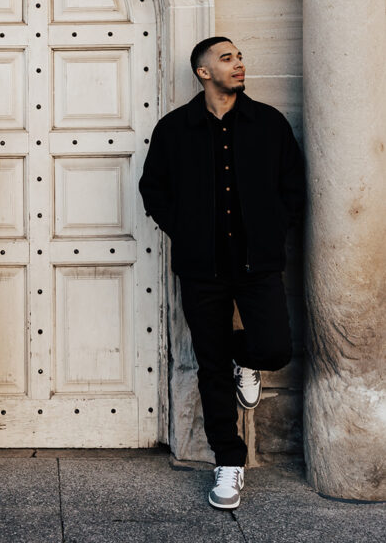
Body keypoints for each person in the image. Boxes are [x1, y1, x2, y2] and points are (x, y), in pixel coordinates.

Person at [139, 37, 304, 510]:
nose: (239, 64)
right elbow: (154, 189)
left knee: (274, 347)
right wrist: (185, 232)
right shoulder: (174, 130)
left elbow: (293, 185)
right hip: (202, 269)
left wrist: (274, 229)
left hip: (258, 265)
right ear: (203, 71)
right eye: (227, 58)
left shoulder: (268, 123)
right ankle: (227, 463)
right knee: (210, 368)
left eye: (239, 57)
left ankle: (246, 359)